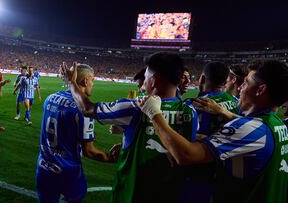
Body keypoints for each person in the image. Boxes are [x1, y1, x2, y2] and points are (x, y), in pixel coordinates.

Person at [137, 60, 288, 203]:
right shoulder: (277, 124)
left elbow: (186, 155)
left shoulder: (251, 129)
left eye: (246, 83)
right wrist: (224, 115)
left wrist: (154, 113)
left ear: (261, 90)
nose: (240, 88)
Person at [61, 52, 199, 203]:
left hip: (132, 194)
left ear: (153, 81)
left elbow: (87, 108)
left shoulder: (133, 107)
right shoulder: (190, 113)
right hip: (171, 195)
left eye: (146, 78)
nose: (143, 83)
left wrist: (71, 83)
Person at [36, 63, 120, 203]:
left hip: (43, 167)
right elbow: (89, 152)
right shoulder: (83, 112)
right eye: (92, 80)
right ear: (85, 81)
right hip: (68, 171)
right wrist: (112, 158)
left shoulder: (50, 98)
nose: (92, 84)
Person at [196, 62, 240, 135]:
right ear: (225, 82)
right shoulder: (235, 100)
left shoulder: (195, 104)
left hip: (205, 145)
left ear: (203, 78)